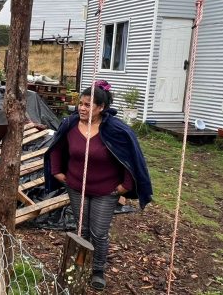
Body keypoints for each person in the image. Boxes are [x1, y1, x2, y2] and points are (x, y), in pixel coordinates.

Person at [44, 80, 152, 291]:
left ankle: (98, 270)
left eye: (88, 105)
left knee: (99, 232)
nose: (82, 108)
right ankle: (79, 264)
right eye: (81, 104)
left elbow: (130, 158)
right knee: (81, 228)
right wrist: (57, 171)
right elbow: (56, 147)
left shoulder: (115, 130)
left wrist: (125, 187)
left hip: (106, 190)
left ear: (101, 108)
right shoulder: (70, 125)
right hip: (76, 187)